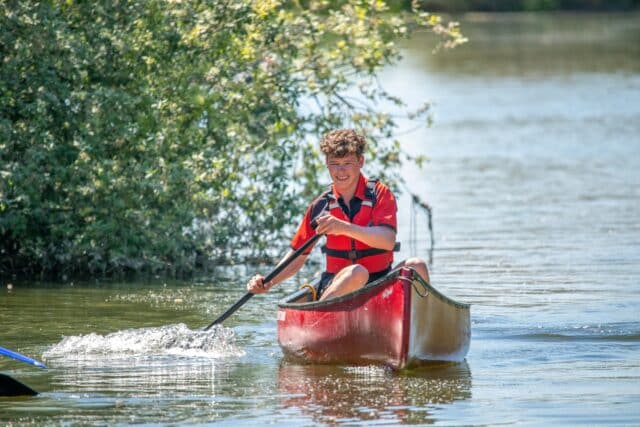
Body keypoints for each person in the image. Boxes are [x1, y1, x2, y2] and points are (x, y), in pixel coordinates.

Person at [247, 129, 429, 300]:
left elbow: (387, 240)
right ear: (327, 164)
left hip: (380, 281)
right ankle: (320, 316)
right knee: (357, 272)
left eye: (347, 164)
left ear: (361, 161)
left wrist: (343, 227)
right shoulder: (321, 205)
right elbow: (298, 255)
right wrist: (269, 282)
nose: (340, 172)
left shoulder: (379, 194)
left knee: (417, 266)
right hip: (339, 283)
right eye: (334, 164)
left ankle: (419, 328)